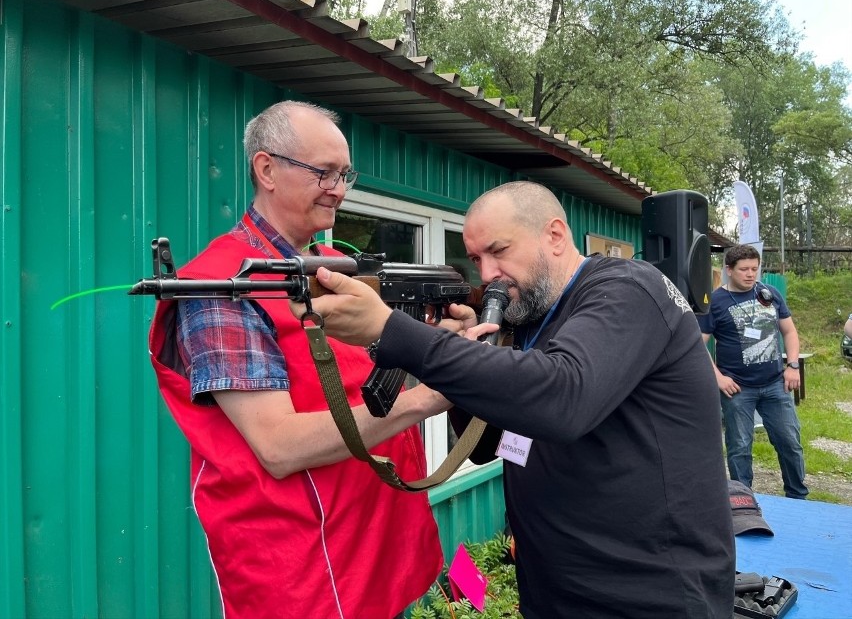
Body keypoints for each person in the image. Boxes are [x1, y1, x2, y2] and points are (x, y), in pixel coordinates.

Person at [293, 181, 736, 618]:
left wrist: (394, 332)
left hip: (649, 596)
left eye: (499, 251)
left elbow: (564, 399)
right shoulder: (531, 316)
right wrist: (468, 356)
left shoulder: (628, 289)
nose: (486, 275)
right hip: (556, 590)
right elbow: (492, 442)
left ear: (555, 236)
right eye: (475, 259)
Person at [147, 101, 447, 619]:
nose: (339, 187)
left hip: (377, 539)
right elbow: (279, 447)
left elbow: (370, 369)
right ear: (266, 169)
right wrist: (431, 396)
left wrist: (442, 342)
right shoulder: (222, 286)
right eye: (323, 172)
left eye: (344, 173)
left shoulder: (335, 269)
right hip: (305, 561)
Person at [697, 244, 808, 500]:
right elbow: (696, 344)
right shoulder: (715, 302)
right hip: (737, 389)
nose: (750, 274)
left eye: (754, 269)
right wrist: (718, 378)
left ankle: (797, 496)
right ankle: (742, 499)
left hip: (775, 384)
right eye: (744, 269)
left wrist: (792, 365)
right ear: (729, 270)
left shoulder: (769, 293)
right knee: (739, 447)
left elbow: (789, 332)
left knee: (789, 443)